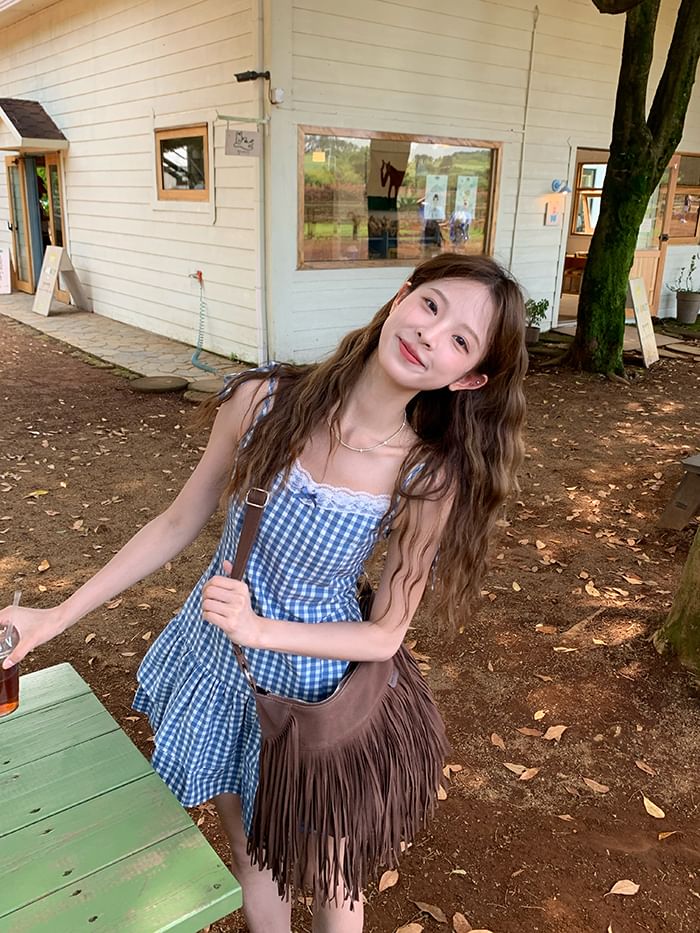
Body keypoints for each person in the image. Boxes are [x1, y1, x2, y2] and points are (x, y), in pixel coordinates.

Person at [1, 253, 528, 933]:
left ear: (468, 378)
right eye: (431, 305)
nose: (430, 334)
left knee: (334, 877)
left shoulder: (426, 475)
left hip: (316, 694)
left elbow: (385, 634)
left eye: (459, 339)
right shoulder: (263, 400)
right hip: (218, 664)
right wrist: (54, 616)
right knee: (253, 859)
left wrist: (259, 628)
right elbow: (177, 522)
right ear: (401, 296)